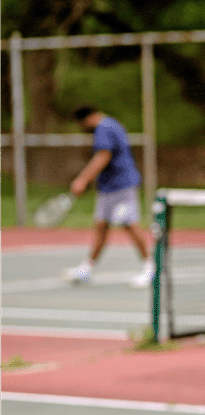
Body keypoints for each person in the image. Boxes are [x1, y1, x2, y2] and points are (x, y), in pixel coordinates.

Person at [63, 105, 154, 288]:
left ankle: (150, 267)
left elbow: (103, 156)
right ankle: (87, 268)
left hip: (122, 185)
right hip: (108, 187)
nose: (83, 129)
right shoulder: (111, 125)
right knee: (101, 226)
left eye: (82, 125)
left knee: (129, 223)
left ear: (88, 119)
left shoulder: (104, 128)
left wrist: (82, 180)